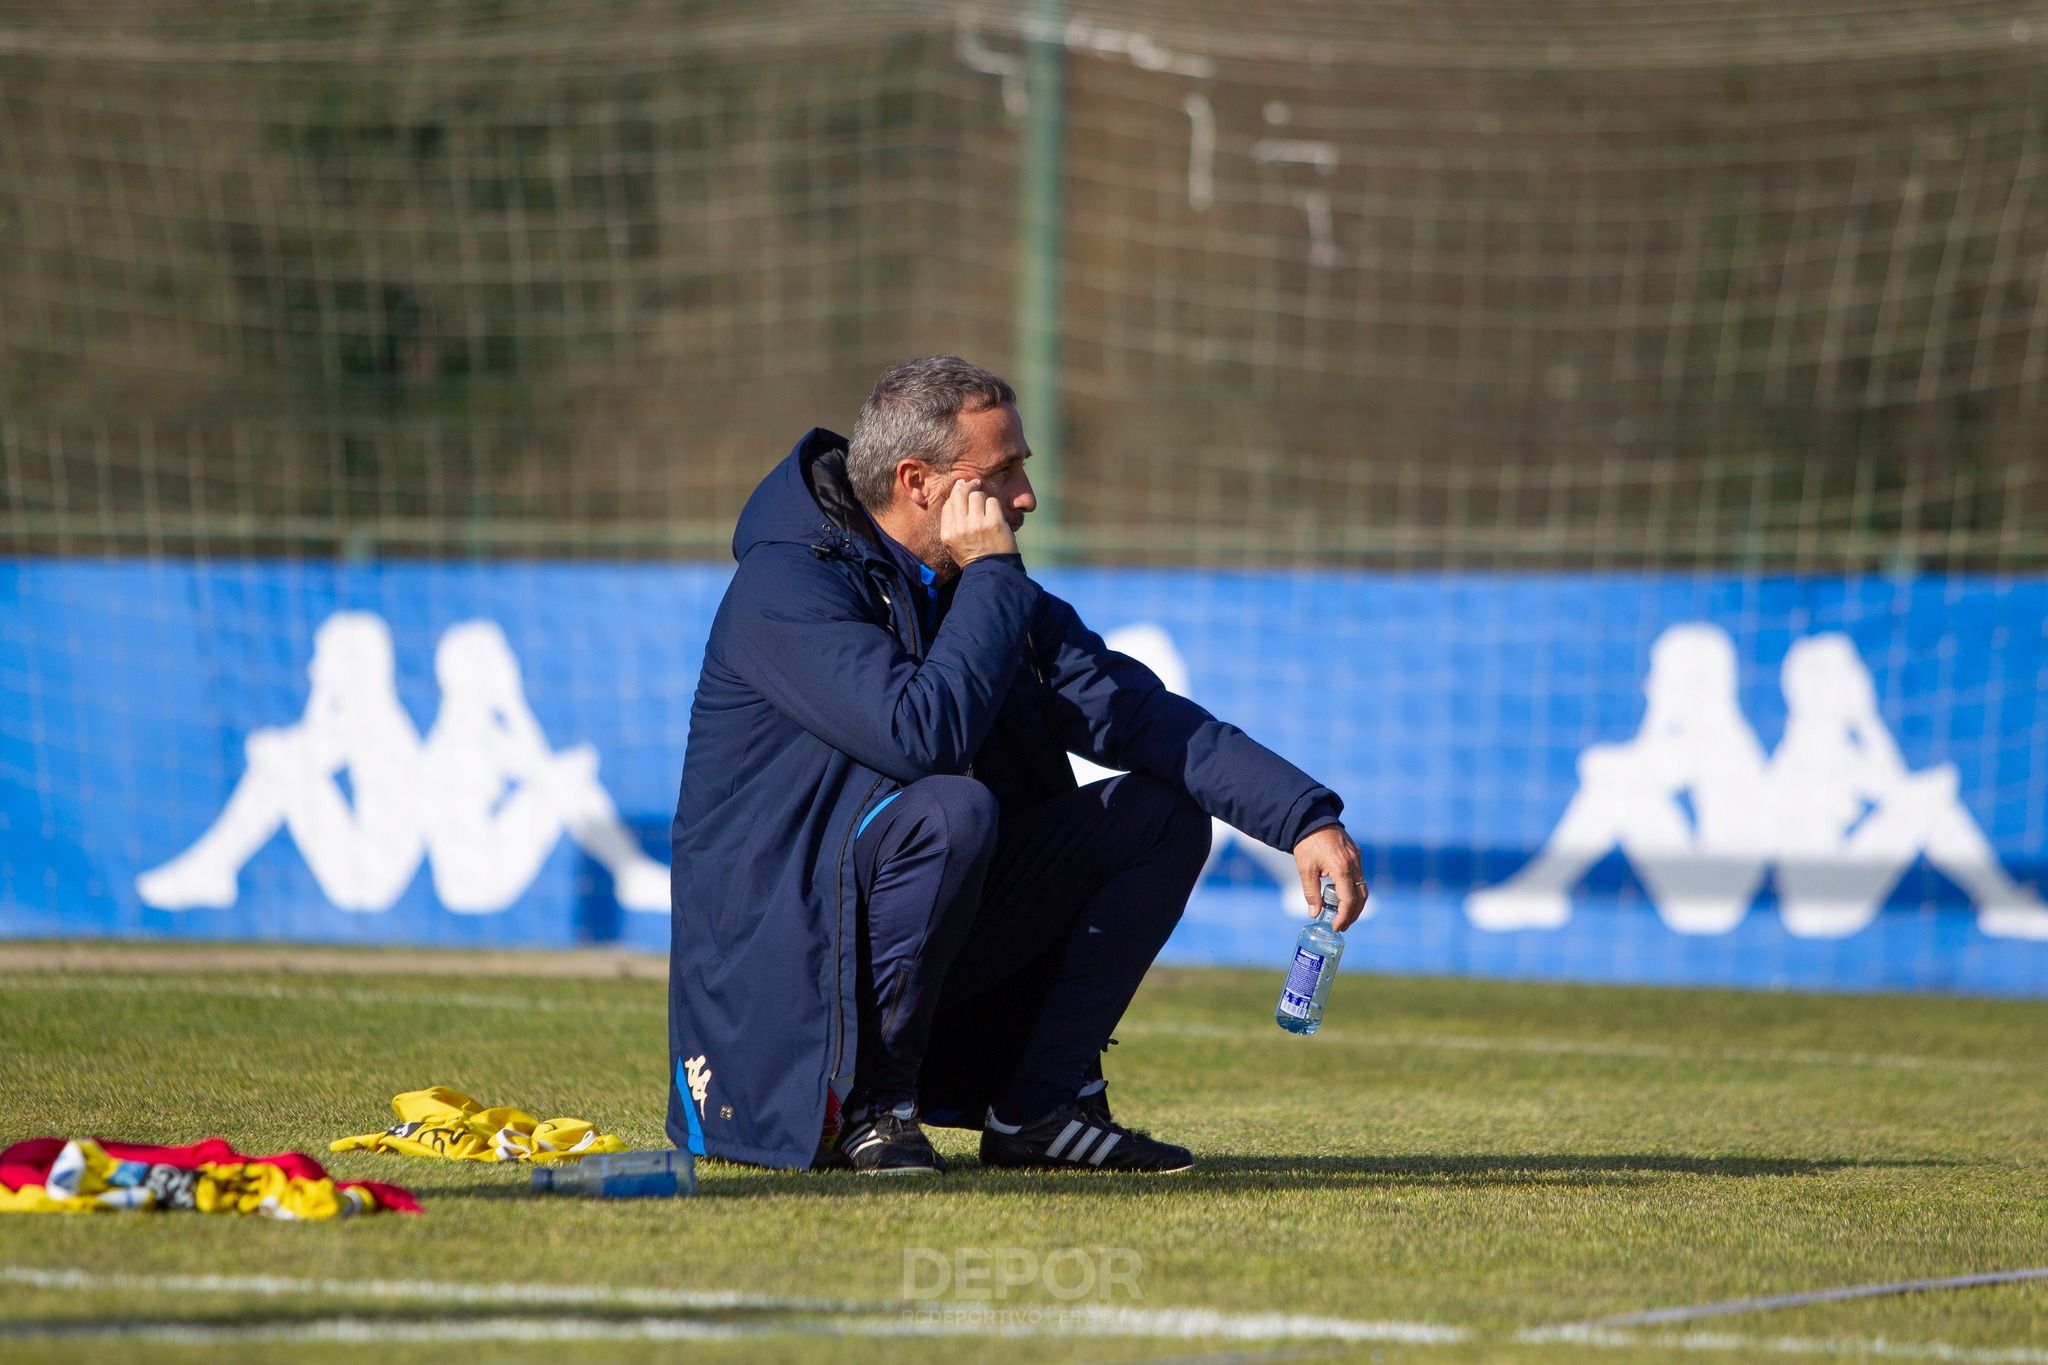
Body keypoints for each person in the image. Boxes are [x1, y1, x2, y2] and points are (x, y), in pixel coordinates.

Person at [666, 355, 1366, 1175]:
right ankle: (871, 1109)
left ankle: (1040, 1108)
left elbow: (1139, 715)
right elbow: (921, 735)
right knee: (953, 810)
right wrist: (995, 575)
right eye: (1002, 473)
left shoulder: (977, 587)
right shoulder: (787, 585)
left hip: (903, 932)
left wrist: (1303, 817)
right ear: (918, 482)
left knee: (1161, 818)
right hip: (782, 971)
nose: (1026, 496)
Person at [1464, 623, 1772, 936]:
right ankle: (1541, 890)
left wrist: (1643, 729)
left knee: (1618, 791)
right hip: (1706, 888)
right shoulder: (1710, 731)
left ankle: (1541, 890)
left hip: (1710, 900)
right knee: (1620, 789)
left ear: (1692, 682)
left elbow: (1632, 768)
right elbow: (1639, 762)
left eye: (1660, 674)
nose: (1650, 685)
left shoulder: (1716, 737)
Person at [134, 612, 428, 912]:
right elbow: (307, 742)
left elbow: (301, 750)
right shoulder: (372, 714)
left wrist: (316, 697)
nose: (314, 669)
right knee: (285, 764)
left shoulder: (372, 719)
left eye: (324, 658)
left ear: (353, 665)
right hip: (363, 868)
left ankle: (212, 866)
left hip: (366, 876)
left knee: (284, 764)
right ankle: (211, 866)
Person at [1768, 634, 2048, 939]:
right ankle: (2001, 904)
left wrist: (1867, 720)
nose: (1859, 681)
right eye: (1849, 672)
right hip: (1822, 901)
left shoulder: (1828, 742)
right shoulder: (1812, 749)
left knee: (1925, 801)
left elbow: (1894, 783)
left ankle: (2001, 903)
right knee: (1927, 800)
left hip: (1828, 892)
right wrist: (1867, 719)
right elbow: (1896, 788)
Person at [419, 621, 671, 914]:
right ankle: (630, 872)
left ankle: (630, 870)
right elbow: (539, 767)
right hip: (474, 878)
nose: (509, 668)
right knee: (566, 779)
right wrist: (513, 702)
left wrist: (513, 704)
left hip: (475, 871)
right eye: (500, 660)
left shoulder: (473, 728)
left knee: (564, 778)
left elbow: (534, 761)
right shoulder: (461, 736)